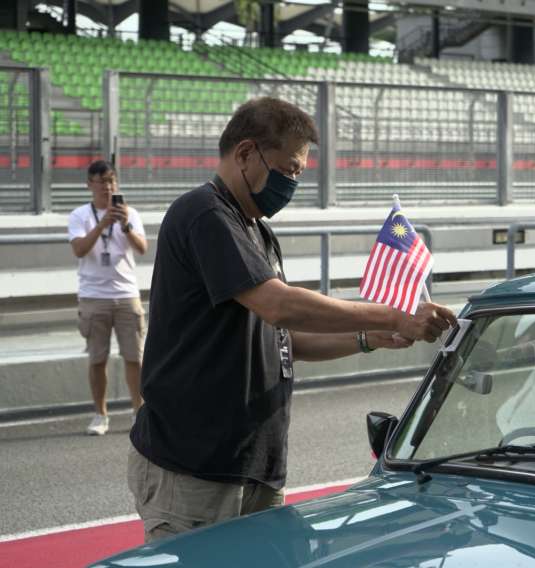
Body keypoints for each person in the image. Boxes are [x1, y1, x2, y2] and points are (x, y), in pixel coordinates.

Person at [128, 97, 456, 542]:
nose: (293, 182)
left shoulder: (256, 231)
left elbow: (283, 339)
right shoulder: (204, 214)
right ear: (245, 153)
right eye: (290, 169)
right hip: (196, 470)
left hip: (252, 466)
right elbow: (279, 305)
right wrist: (397, 316)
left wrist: (368, 337)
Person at [68, 160, 147, 436]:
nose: (107, 187)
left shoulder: (130, 213)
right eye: (101, 182)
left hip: (126, 294)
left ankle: (139, 411)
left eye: (112, 181)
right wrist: (103, 223)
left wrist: (125, 225)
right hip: (93, 296)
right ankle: (100, 415)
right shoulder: (80, 215)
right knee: (97, 359)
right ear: (90, 184)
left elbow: (142, 249)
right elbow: (79, 249)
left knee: (134, 358)